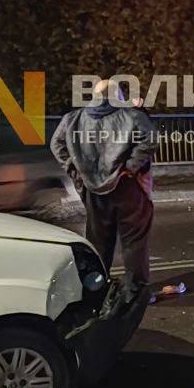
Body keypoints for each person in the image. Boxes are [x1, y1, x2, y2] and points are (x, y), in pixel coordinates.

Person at [50, 79, 156, 292]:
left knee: (98, 241)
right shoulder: (132, 116)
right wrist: (130, 167)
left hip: (92, 189)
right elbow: (150, 140)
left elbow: (56, 145)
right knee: (134, 240)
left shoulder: (72, 118)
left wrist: (76, 171)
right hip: (127, 186)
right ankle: (135, 290)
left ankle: (96, 286)